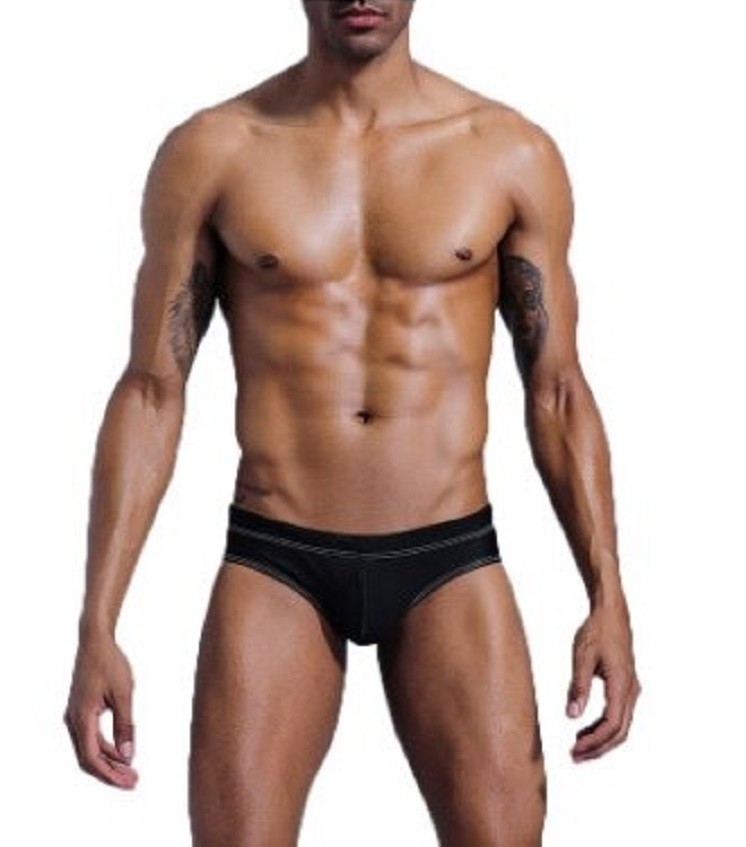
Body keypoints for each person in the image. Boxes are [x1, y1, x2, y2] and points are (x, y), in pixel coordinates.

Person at [63, 1, 641, 844]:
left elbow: (556, 390)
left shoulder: (507, 152)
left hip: (449, 554)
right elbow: (152, 389)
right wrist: (98, 621)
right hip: (277, 558)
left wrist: (608, 595)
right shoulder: (216, 151)